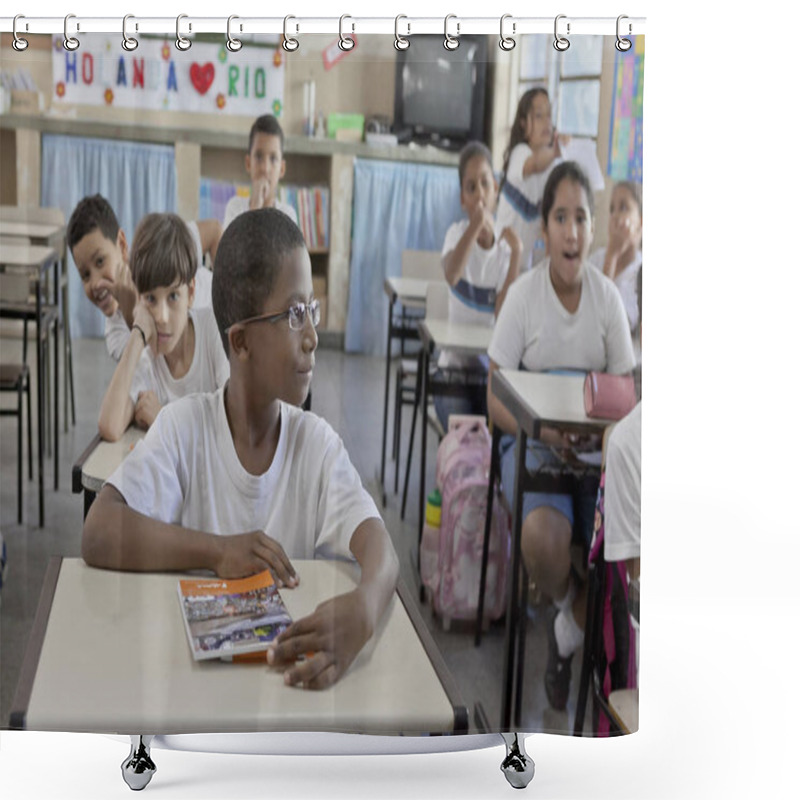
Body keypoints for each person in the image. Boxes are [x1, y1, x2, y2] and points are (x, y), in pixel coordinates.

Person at [82, 208, 400, 690]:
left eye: (311, 311)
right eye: (295, 315)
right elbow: (99, 531)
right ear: (241, 342)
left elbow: (381, 550)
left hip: (283, 698)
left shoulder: (315, 445)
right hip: (192, 695)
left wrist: (365, 607)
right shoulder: (184, 428)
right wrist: (217, 551)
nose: (313, 337)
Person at [486, 161, 635, 711]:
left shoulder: (607, 300)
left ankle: (572, 633)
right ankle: (575, 609)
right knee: (544, 539)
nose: (572, 231)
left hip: (597, 457)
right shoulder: (524, 298)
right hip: (535, 447)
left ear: (591, 231)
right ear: (544, 228)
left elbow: (628, 395)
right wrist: (544, 428)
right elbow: (493, 395)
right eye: (560, 218)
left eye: (581, 219)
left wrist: (597, 433)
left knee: (629, 537)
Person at [96, 213, 229, 442]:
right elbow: (110, 426)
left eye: (173, 296)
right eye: (150, 299)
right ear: (139, 297)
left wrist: (163, 419)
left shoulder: (214, 330)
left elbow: (231, 426)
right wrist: (137, 334)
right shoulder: (148, 359)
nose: (162, 317)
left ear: (191, 293)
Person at [67, 194, 222, 361]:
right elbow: (161, 369)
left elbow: (214, 232)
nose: (96, 283)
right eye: (85, 275)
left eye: (100, 261)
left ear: (121, 244)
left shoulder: (155, 247)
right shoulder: (116, 336)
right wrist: (130, 315)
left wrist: (226, 307)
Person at [434, 141, 522, 429]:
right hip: (454, 373)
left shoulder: (505, 250)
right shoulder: (456, 234)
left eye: (485, 184)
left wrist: (516, 256)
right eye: (471, 188)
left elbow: (501, 312)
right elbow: (451, 274)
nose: (480, 194)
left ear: (496, 189)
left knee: (500, 424)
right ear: (463, 199)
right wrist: (475, 226)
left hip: (490, 374)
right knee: (465, 428)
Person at [495, 88, 570, 273]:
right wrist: (555, 152)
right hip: (498, 261)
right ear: (523, 125)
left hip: (522, 265)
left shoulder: (551, 168)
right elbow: (535, 165)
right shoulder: (520, 153)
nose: (546, 121)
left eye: (549, 115)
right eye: (538, 116)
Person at [223, 114, 298, 232]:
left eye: (273, 159)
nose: (265, 168)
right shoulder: (235, 208)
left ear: (282, 169)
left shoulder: (287, 215)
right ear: (248, 163)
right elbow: (233, 250)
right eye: (258, 157)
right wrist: (255, 207)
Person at [590, 181, 643, 334]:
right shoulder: (596, 259)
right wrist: (610, 256)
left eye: (624, 208)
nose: (615, 216)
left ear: (641, 222)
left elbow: (615, 327)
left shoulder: (641, 271)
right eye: (612, 209)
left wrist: (612, 256)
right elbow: (584, 315)